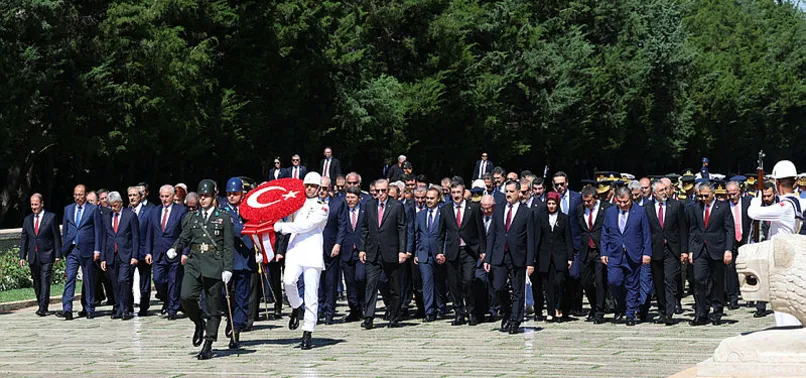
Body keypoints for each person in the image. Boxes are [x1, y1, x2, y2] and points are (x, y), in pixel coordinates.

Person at [168, 179, 235, 360]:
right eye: (201, 196)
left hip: (214, 263)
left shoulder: (224, 218)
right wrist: (175, 247)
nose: (203, 199)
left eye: (206, 196)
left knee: (213, 306)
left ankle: (208, 343)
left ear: (214, 197)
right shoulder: (193, 217)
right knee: (185, 296)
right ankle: (198, 322)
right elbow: (185, 236)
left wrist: (228, 268)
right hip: (195, 261)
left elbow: (229, 245)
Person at [274, 172, 329, 350]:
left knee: (311, 293)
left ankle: (308, 330)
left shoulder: (323, 207)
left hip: (312, 252)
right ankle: (296, 306)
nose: (310, 189)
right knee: (288, 281)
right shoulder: (295, 202)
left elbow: (305, 226)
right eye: (307, 185)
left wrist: (282, 227)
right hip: (295, 249)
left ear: (319, 188)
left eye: (313, 186)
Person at [747, 160, 804, 327]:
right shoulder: (797, 201)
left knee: (784, 311)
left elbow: (753, 212)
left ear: (777, 183)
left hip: (781, 261)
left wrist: (757, 197)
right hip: (789, 257)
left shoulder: (785, 206)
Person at [484, 180, 535, 334]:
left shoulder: (527, 212)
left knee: (518, 290)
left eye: (511, 191)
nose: (508, 194)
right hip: (500, 255)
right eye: (506, 191)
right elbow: (493, 234)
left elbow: (530, 239)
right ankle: (507, 310)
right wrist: (488, 258)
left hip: (518, 256)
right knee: (497, 287)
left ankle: (515, 321)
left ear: (519, 193)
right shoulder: (499, 210)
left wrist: (530, 262)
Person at [358, 178, 408, 329]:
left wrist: (402, 251)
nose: (380, 194)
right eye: (377, 191)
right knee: (371, 285)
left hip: (391, 251)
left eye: (383, 191)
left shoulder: (397, 206)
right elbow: (365, 228)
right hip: (373, 252)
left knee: (394, 286)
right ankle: (368, 317)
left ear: (388, 191)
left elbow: (402, 229)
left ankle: (394, 316)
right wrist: (362, 249)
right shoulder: (369, 205)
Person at [436, 180, 487, 326]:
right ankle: (459, 312)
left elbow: (480, 231)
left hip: (469, 250)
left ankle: (471, 311)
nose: (456, 195)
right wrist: (440, 251)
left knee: (469, 281)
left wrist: (483, 250)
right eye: (453, 193)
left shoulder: (474, 208)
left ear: (463, 192)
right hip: (453, 251)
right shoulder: (445, 209)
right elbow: (441, 233)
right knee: (454, 283)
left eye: (458, 192)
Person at [601, 186, 652, 326]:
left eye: (625, 202)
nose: (623, 205)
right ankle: (621, 305)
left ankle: (630, 314)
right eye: (620, 202)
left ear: (631, 199)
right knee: (613, 281)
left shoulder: (640, 212)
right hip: (615, 253)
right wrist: (603, 252)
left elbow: (646, 233)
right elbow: (605, 233)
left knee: (632, 285)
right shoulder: (610, 212)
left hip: (633, 253)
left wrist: (647, 253)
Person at [687, 181, 734, 326]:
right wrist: (691, 250)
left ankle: (717, 310)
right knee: (698, 279)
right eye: (700, 196)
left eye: (705, 196)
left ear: (713, 194)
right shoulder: (695, 208)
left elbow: (729, 229)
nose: (702, 199)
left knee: (717, 281)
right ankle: (701, 313)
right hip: (700, 249)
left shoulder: (723, 207)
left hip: (717, 248)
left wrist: (728, 249)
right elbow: (693, 230)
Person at [643, 180, 687, 326]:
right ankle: (662, 311)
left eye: (665, 189)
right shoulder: (647, 208)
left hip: (672, 249)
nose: (664, 192)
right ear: (654, 193)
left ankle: (669, 312)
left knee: (670, 280)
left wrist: (684, 250)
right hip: (655, 249)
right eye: (661, 190)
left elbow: (682, 229)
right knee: (658, 282)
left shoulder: (676, 205)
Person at [220, 177, 256, 348]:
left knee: (242, 296)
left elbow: (257, 225)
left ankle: (236, 329)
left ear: (242, 194)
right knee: (223, 294)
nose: (232, 197)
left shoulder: (249, 207)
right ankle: (230, 318)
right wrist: (242, 229)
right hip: (228, 258)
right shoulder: (223, 209)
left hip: (245, 258)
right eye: (229, 194)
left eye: (235, 193)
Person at [60, 184, 103, 320]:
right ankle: (67, 308)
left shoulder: (93, 209)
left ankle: (90, 307)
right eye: (76, 195)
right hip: (72, 249)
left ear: (85, 195)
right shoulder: (68, 209)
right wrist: (64, 246)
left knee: (89, 279)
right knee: (70, 278)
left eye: (80, 195)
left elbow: (98, 230)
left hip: (87, 249)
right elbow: (66, 230)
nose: (78, 197)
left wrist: (97, 249)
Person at [146, 184, 187, 320]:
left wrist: (184, 252)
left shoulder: (181, 211)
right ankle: (167, 300)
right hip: (158, 252)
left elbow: (185, 233)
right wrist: (148, 252)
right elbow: (150, 233)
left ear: (173, 196)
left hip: (174, 252)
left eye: (167, 196)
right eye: (162, 196)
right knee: (158, 280)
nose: (164, 199)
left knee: (174, 281)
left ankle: (172, 309)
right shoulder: (155, 211)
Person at [532, 191, 574, 322]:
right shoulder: (541, 217)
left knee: (559, 282)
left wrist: (570, 257)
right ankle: (550, 311)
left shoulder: (564, 218)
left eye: (553, 203)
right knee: (547, 285)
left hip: (560, 255)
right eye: (549, 203)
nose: (551, 206)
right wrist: (534, 257)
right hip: (544, 256)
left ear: (557, 204)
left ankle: (559, 308)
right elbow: (537, 237)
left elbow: (568, 238)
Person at [20, 193, 62, 316]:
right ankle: (41, 303)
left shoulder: (51, 217)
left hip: (47, 255)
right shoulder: (27, 220)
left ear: (42, 204)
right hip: (33, 256)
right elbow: (24, 239)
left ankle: (43, 308)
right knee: (36, 282)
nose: (34, 207)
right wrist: (22, 256)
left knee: (45, 281)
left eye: (36, 204)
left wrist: (57, 254)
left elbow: (56, 237)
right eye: (32, 204)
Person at [100, 191, 139, 320]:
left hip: (126, 254)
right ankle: (117, 307)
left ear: (121, 203)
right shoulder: (107, 217)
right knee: (115, 283)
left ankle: (126, 308)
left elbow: (135, 237)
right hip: (112, 254)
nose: (113, 208)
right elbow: (104, 238)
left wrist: (134, 255)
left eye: (115, 205)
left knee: (124, 280)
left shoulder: (130, 215)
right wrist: (103, 258)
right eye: (111, 206)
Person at [415, 186, 449, 322]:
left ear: (438, 198)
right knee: (426, 282)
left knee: (439, 282)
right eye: (426, 198)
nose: (428, 201)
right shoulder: (420, 215)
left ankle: (441, 307)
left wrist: (443, 252)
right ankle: (429, 311)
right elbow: (416, 234)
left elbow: (446, 235)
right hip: (424, 254)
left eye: (431, 198)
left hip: (438, 253)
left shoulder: (443, 213)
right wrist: (417, 251)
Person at [576, 186, 609, 324]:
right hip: (585, 250)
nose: (587, 204)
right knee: (586, 281)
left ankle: (600, 311)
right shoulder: (579, 210)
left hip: (600, 250)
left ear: (596, 198)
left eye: (589, 201)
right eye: (585, 201)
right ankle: (594, 306)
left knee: (600, 281)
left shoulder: (606, 209)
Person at [316, 176, 347, 325]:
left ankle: (329, 312)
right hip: (314, 248)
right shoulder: (311, 204)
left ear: (330, 189)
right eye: (319, 188)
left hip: (331, 247)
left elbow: (342, 225)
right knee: (316, 282)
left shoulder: (337, 204)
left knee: (331, 282)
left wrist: (338, 244)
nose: (321, 191)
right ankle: (318, 310)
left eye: (324, 188)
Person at [128, 186, 155, 316]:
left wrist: (149, 252)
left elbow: (150, 232)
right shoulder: (126, 211)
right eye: (130, 195)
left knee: (144, 281)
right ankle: (128, 306)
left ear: (140, 196)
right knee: (126, 279)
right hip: (129, 252)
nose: (132, 198)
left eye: (134, 195)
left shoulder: (149, 211)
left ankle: (144, 306)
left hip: (144, 250)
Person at [341, 185, 367, 322]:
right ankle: (354, 309)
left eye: (353, 197)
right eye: (348, 197)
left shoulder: (365, 210)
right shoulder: (343, 210)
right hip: (347, 250)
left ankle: (363, 305)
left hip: (361, 251)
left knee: (360, 278)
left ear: (359, 198)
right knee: (349, 282)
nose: (350, 200)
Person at [725, 180, 751, 310]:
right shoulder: (724, 205)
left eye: (734, 193)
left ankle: (750, 296)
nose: (731, 196)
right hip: (731, 240)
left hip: (745, 238)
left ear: (739, 192)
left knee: (748, 268)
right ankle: (732, 298)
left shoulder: (748, 202)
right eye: (729, 194)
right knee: (730, 270)